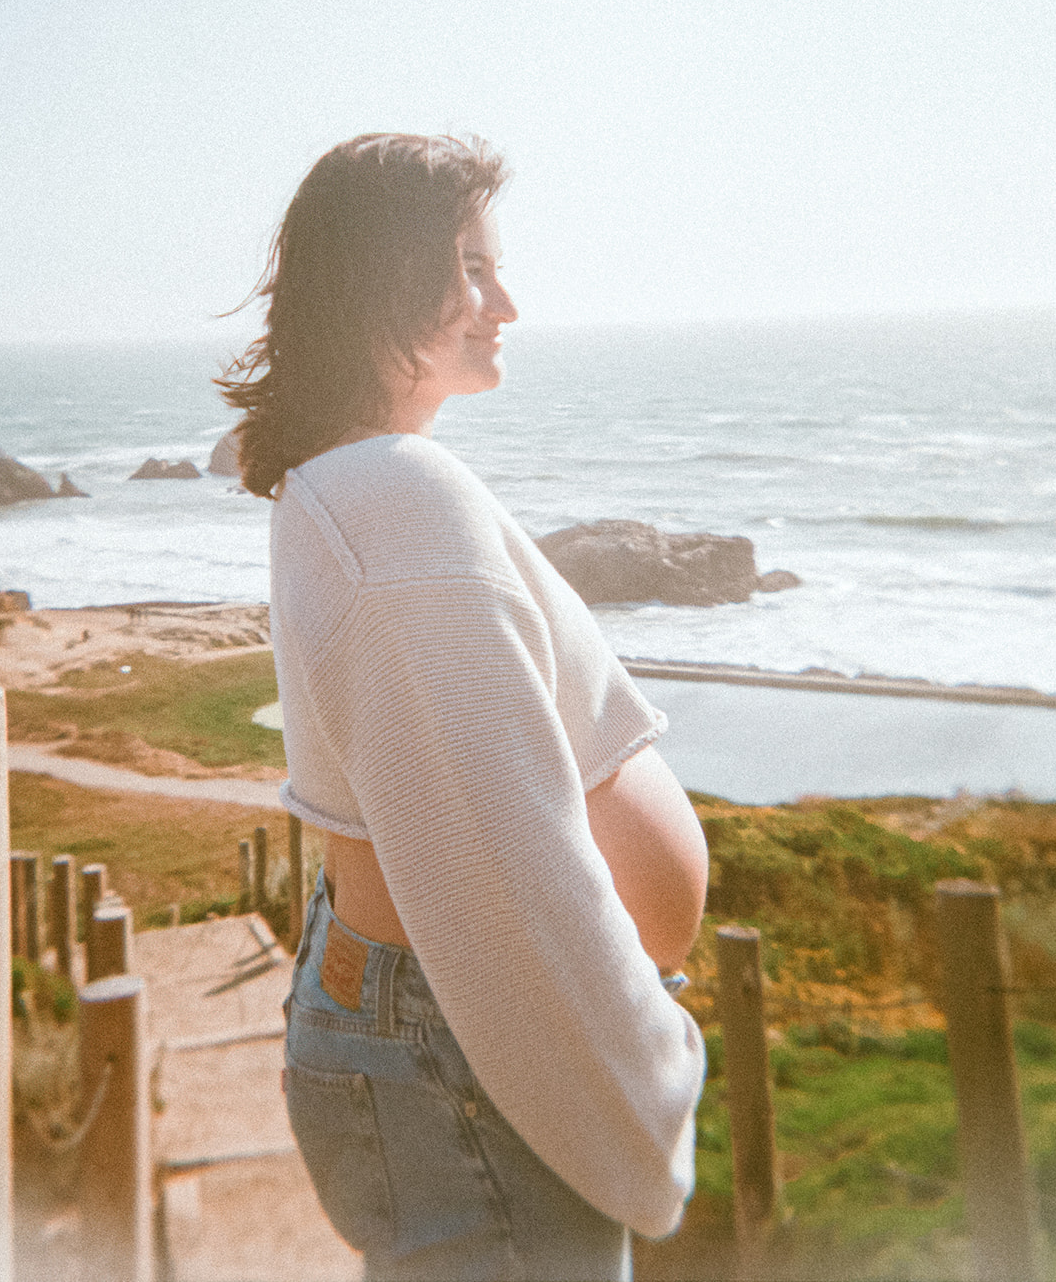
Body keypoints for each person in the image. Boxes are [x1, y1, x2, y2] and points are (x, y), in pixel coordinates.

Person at [219, 133, 708, 1281]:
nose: (507, 305)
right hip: (469, 1054)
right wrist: (646, 1074)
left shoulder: (353, 479)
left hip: (438, 1044)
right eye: (472, 270)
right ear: (386, 278)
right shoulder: (394, 495)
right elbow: (500, 869)